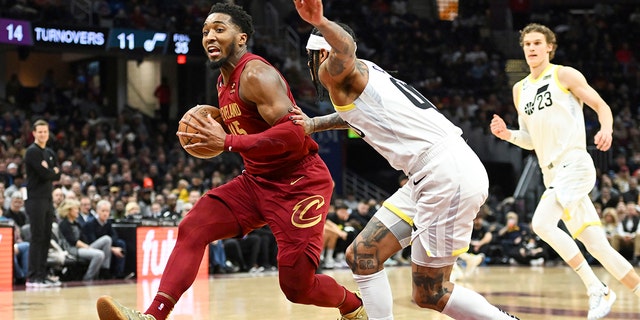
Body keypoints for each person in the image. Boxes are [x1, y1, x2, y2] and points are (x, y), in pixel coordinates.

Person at [96, 3, 366, 320]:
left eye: (219, 29)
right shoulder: (224, 82)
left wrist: (227, 141)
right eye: (205, 31)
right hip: (256, 181)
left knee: (296, 287)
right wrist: (220, 128)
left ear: (242, 39)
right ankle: (153, 316)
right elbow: (252, 127)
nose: (210, 36)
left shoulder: (256, 75)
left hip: (299, 184)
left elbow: (293, 135)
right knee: (192, 227)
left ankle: (354, 306)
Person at [290, 1, 519, 319]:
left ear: (321, 54)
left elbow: (346, 47)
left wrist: (321, 21)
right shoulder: (361, 81)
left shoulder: (336, 68)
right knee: (363, 254)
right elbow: (356, 118)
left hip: (444, 174)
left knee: (431, 292)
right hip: (435, 171)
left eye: (312, 58)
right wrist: (316, 124)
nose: (311, 67)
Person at [490, 22, 640, 319]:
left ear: (549, 47)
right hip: (552, 175)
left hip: (575, 163)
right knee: (598, 247)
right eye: (527, 44)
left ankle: (597, 289)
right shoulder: (520, 90)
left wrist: (607, 128)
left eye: (536, 43)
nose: (531, 48)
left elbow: (600, 105)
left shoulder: (563, 74)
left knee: (542, 224)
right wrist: (507, 134)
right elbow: (530, 139)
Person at [24, 119, 61, 288]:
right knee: (37, 237)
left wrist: (50, 171)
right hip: (35, 199)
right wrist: (50, 171)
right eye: (39, 132)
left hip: (47, 199)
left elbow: (57, 174)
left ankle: (42, 274)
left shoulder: (50, 152)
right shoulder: (32, 152)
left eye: (45, 131)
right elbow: (45, 174)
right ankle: (33, 277)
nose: (42, 134)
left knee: (46, 236)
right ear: (34, 133)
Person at [57, 198, 112, 281]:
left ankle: (105, 271)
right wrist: (88, 248)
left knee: (107, 239)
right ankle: (88, 278)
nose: (77, 211)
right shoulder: (64, 224)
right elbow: (73, 241)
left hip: (82, 247)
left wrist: (89, 247)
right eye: (75, 209)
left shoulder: (76, 223)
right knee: (99, 254)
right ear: (69, 210)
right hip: (72, 249)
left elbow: (83, 238)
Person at [82, 199, 127, 279]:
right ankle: (104, 271)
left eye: (107, 211)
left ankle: (119, 273)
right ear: (97, 211)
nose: (105, 213)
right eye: (103, 211)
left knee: (120, 243)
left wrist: (112, 246)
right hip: (90, 247)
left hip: (106, 246)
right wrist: (112, 249)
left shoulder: (108, 223)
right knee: (107, 239)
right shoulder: (90, 223)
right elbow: (92, 241)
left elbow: (114, 237)